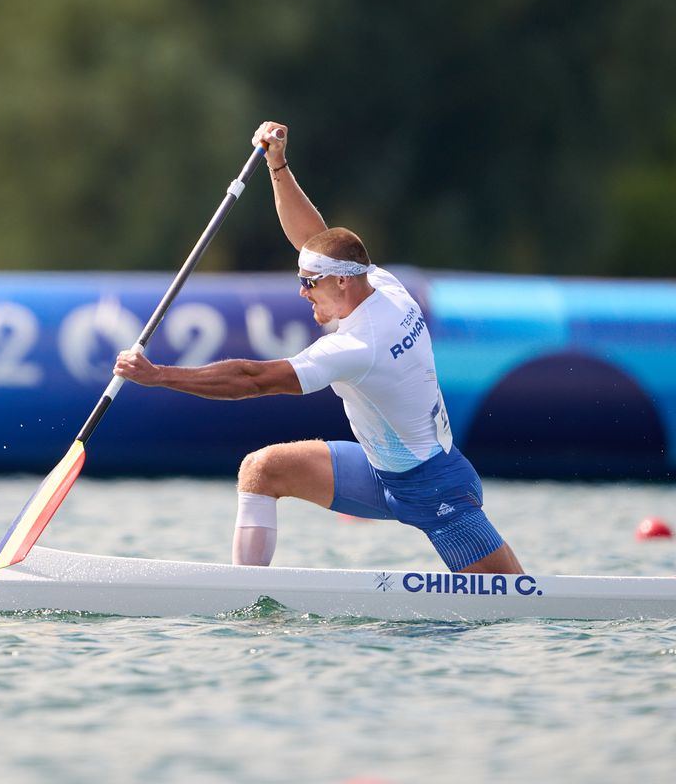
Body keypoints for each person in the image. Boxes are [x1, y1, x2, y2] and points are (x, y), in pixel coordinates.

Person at [113, 121, 523, 574]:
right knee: (262, 469)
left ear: (341, 281)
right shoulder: (382, 284)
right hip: (378, 472)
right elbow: (314, 240)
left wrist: (159, 376)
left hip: (435, 488)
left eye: (309, 283)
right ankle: (243, 591)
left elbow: (253, 380)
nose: (303, 293)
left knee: (516, 605)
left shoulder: (358, 344)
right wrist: (277, 164)